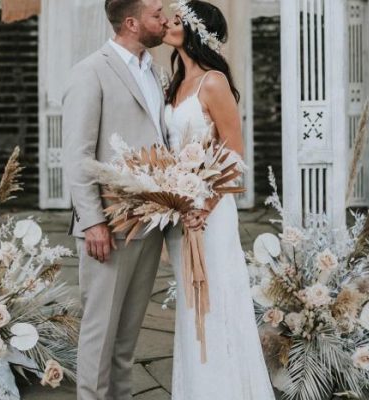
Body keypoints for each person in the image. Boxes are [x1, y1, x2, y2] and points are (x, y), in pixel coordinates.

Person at [162, 1, 276, 398]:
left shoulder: (213, 82)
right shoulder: (174, 82)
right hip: (180, 211)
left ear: (196, 30)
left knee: (215, 298)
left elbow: (234, 155)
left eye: (176, 20)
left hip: (209, 212)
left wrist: (203, 207)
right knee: (191, 304)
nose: (167, 24)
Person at [62, 1, 169, 399]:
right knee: (99, 334)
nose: (165, 20)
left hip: (148, 223)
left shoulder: (152, 72)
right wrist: (92, 222)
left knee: (125, 341)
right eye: (157, 13)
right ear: (131, 22)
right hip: (108, 225)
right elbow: (78, 155)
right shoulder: (90, 72)